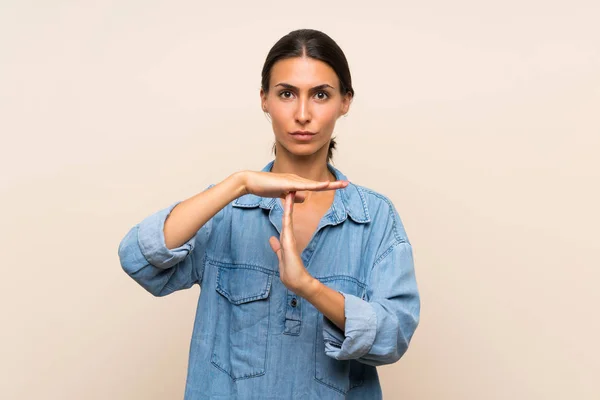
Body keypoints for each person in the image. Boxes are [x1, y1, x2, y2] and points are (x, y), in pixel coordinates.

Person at [118, 28, 420, 400]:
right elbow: (138, 259)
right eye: (287, 93)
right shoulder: (226, 208)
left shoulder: (375, 218)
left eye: (321, 95)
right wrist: (239, 183)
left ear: (345, 102)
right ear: (264, 99)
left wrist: (308, 287)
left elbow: (393, 336)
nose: (303, 113)